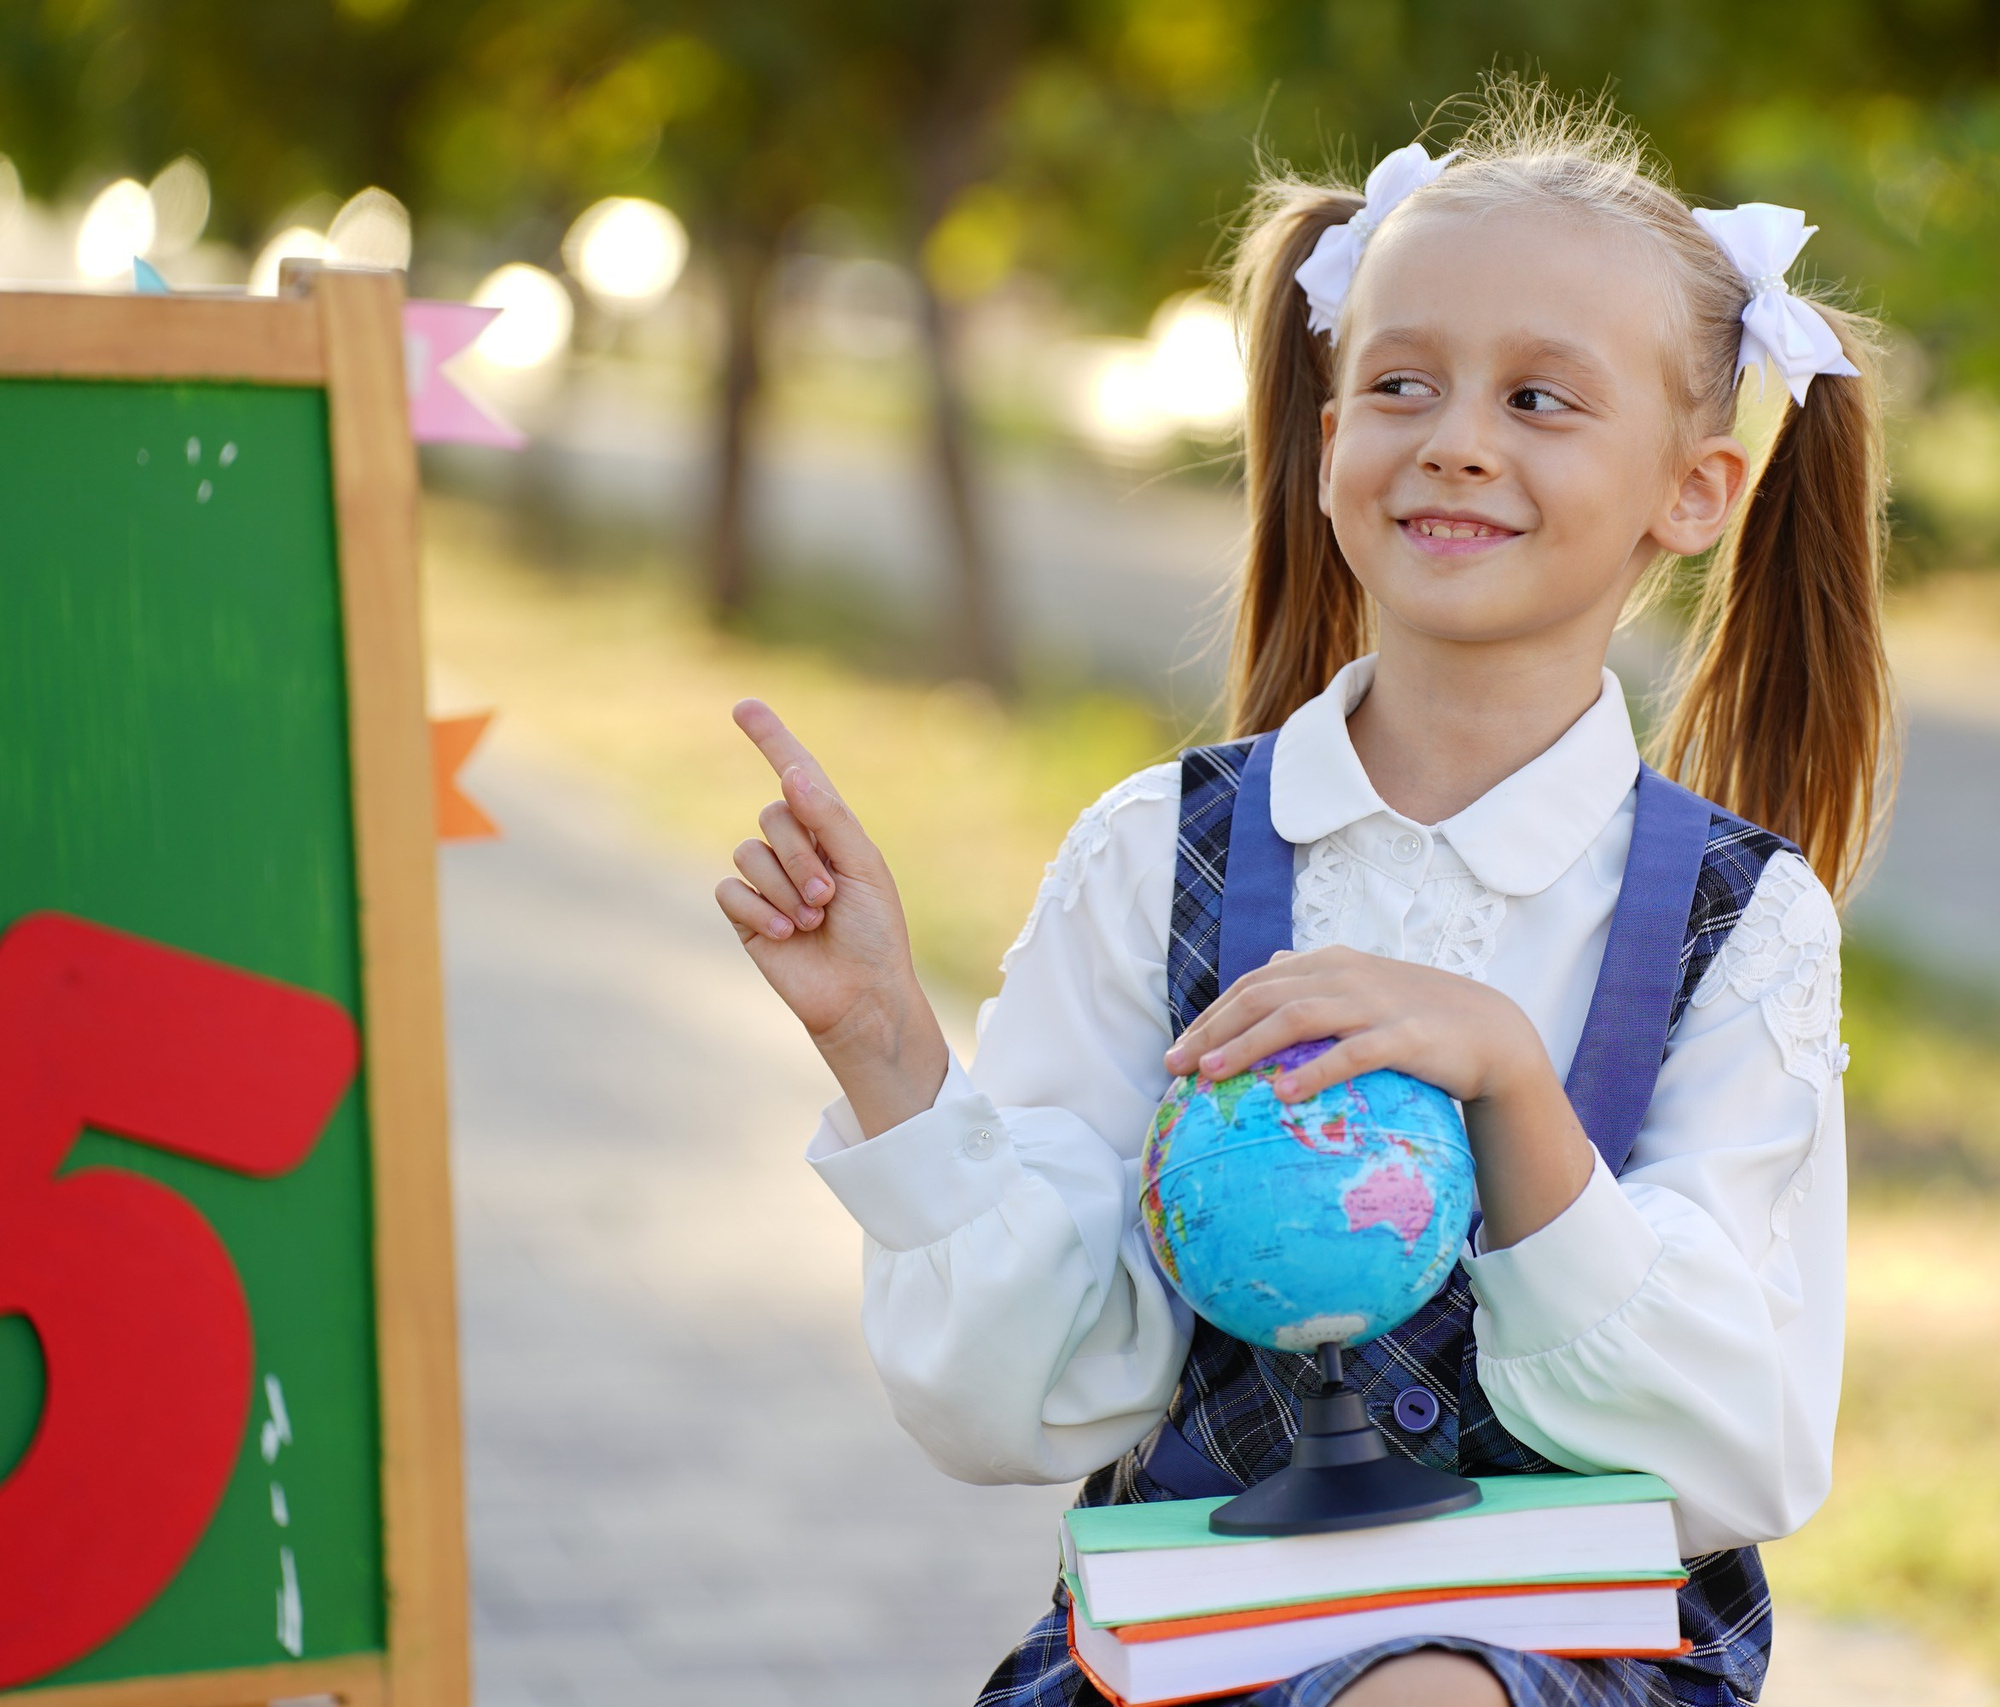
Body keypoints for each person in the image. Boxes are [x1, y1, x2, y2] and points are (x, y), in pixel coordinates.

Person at [715, 84, 1890, 1707]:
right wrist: (887, 1052)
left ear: (1692, 491)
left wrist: (1515, 1087)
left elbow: (1735, 1450)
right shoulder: (1157, 852)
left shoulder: (1739, 922)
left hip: (1577, 1643)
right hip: (1204, 1630)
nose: (1456, 436)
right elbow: (1026, 1400)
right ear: (1334, 449)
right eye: (1402, 383)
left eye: (1541, 397)